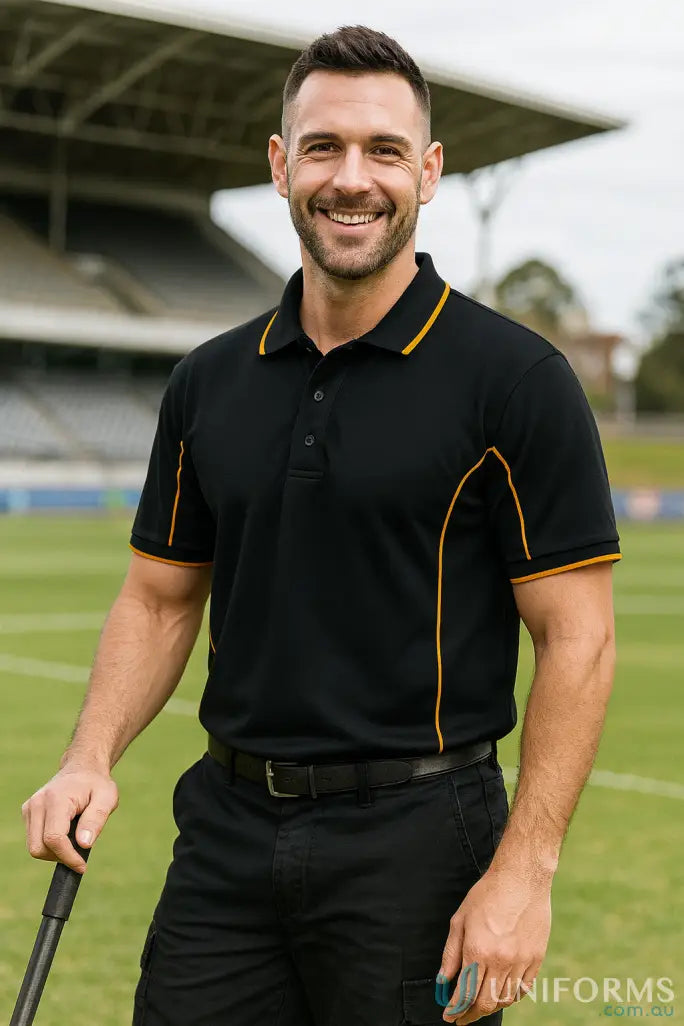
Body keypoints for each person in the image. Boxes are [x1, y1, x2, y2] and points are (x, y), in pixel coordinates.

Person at [20, 24, 621, 1026]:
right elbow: (159, 600)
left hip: (421, 842)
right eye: (324, 147)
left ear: (428, 172)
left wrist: (524, 873)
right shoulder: (205, 382)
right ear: (279, 164)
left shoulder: (516, 381)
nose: (353, 178)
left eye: (385, 151)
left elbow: (580, 639)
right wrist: (88, 759)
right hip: (225, 833)